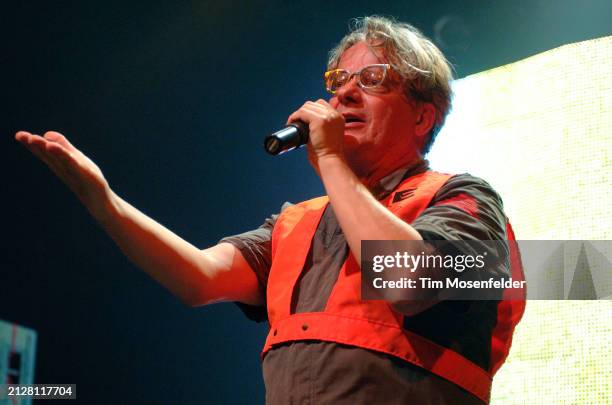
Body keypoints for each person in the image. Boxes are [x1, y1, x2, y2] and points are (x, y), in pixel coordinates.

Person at [15, 16, 523, 405]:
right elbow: (199, 278)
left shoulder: (461, 198)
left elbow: (407, 280)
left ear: (422, 115)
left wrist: (327, 159)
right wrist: (103, 202)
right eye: (338, 79)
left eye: (372, 78)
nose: (343, 90)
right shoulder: (299, 221)